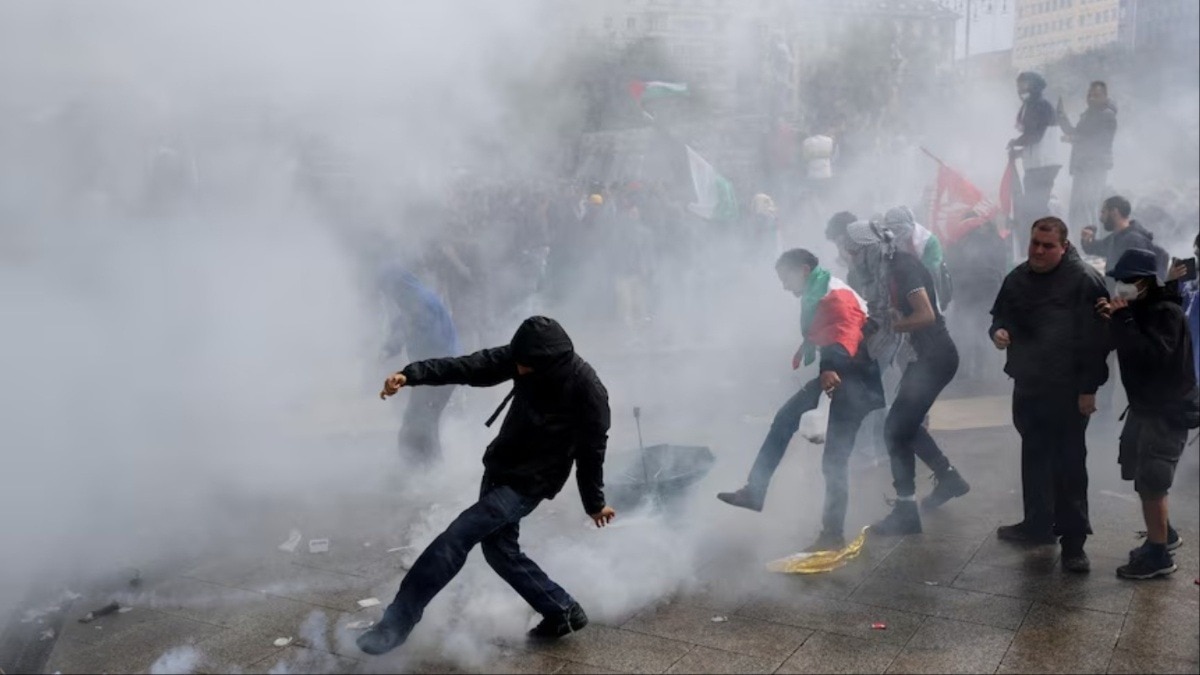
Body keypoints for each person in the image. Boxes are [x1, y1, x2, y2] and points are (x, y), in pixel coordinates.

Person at [357, 316, 614, 656]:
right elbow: (470, 366)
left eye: (525, 366)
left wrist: (594, 503)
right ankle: (562, 610)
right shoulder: (526, 357)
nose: (518, 369)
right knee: (500, 552)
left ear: (547, 362)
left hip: (530, 483)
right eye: (517, 361)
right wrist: (411, 374)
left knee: (456, 537)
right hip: (501, 465)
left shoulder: (587, 390)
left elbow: (592, 451)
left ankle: (394, 625)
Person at [717, 249, 886, 551]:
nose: (784, 286)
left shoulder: (833, 294)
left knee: (834, 461)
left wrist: (830, 366)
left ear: (804, 270)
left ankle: (832, 533)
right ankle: (755, 491)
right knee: (785, 418)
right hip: (840, 374)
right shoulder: (818, 290)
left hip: (853, 382)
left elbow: (845, 331)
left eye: (786, 278)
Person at [989, 217, 1109, 573]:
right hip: (1029, 383)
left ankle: (1074, 542)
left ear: (1064, 246)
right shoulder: (1018, 277)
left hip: (1069, 389)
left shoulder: (1083, 280)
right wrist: (998, 332)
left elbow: (1097, 341)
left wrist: (1089, 389)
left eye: (1047, 246)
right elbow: (999, 317)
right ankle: (1037, 525)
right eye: (1034, 244)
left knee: (1069, 464)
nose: (1038, 252)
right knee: (1034, 455)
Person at [842, 221, 968, 535]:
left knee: (894, 430)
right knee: (905, 427)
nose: (851, 259)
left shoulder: (901, 268)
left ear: (869, 248)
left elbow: (925, 315)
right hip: (921, 359)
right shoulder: (885, 270)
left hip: (934, 357)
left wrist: (893, 326)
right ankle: (948, 478)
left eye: (854, 252)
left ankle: (906, 511)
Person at [1097, 248, 1196, 579]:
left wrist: (1123, 319)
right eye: (1120, 280)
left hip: (1165, 412)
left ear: (1146, 282)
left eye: (1129, 281)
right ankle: (1163, 534)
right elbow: (1120, 344)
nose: (1122, 286)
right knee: (1142, 475)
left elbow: (1153, 356)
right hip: (1145, 407)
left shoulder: (1165, 312)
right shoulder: (1140, 308)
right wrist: (1110, 318)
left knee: (1154, 481)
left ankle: (1158, 556)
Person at [379, 266, 461, 467]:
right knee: (419, 422)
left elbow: (429, 345)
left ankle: (429, 473)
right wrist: (389, 349)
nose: (389, 296)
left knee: (420, 423)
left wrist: (414, 374)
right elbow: (403, 324)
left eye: (389, 290)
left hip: (440, 371)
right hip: (436, 370)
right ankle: (423, 471)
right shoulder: (415, 299)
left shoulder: (421, 303)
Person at [1009, 72, 1063, 251]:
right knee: (1033, 206)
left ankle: (1042, 244)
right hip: (1038, 163)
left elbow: (1035, 136)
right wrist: (1019, 153)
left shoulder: (1039, 106)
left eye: (1023, 85)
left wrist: (1016, 143)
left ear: (1034, 86)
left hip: (1043, 165)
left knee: (1035, 207)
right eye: (1018, 86)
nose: (1020, 90)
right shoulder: (1032, 105)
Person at [1057, 81, 1117, 232]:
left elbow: (1101, 141)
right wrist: (1061, 118)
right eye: (1089, 95)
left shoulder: (1107, 116)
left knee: (1089, 205)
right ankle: (1082, 243)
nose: (1091, 98)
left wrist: (1075, 139)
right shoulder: (1088, 115)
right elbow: (1076, 133)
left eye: (1096, 95)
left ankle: (1092, 242)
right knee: (1078, 207)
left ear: (1104, 96)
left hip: (1094, 167)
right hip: (1082, 166)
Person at [1081, 196, 1165, 284]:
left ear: (1114, 212)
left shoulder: (1134, 241)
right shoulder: (1117, 237)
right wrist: (1087, 240)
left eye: (1103, 212)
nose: (1101, 218)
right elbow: (1098, 248)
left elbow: (1138, 279)